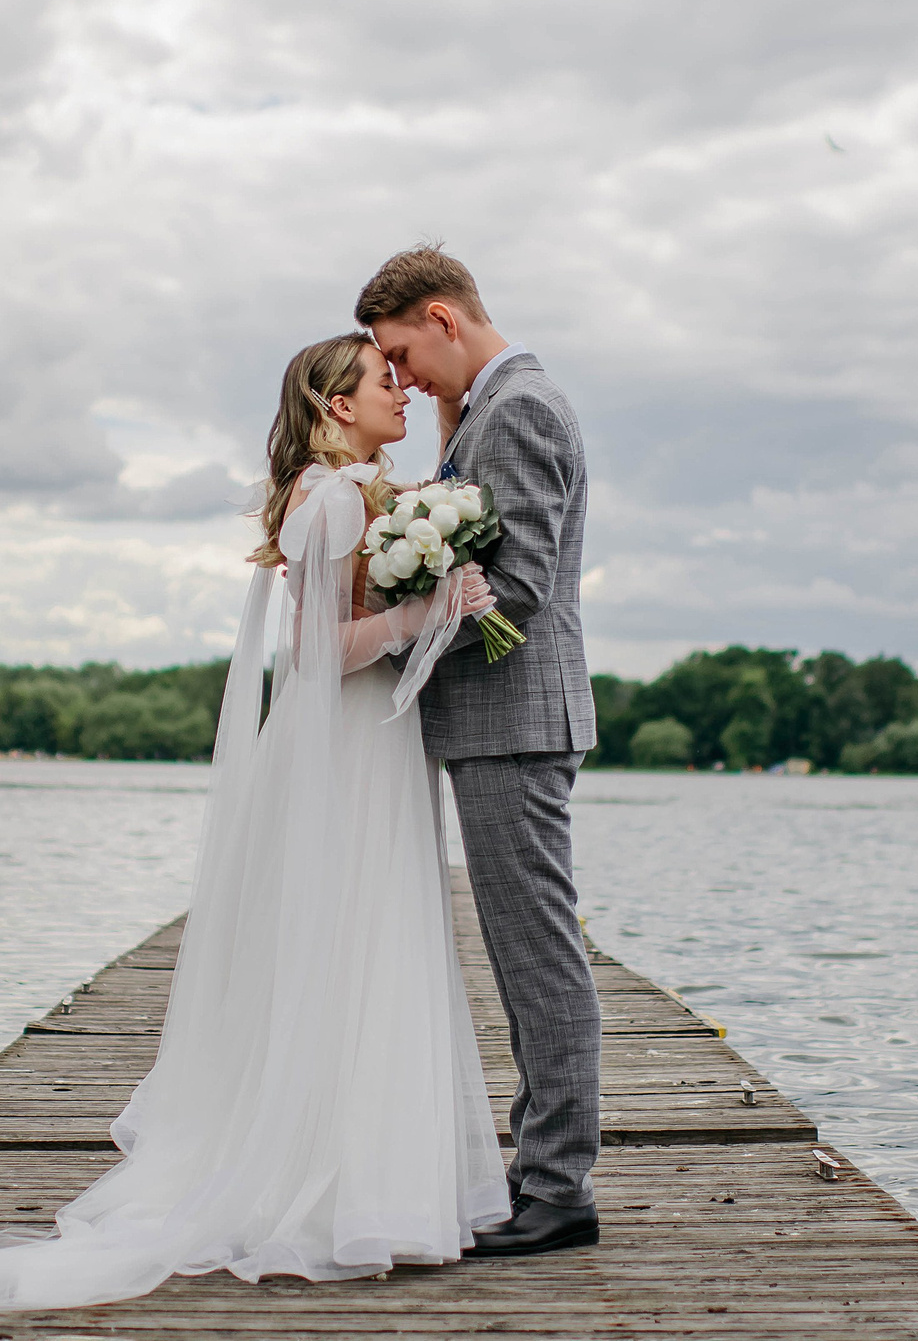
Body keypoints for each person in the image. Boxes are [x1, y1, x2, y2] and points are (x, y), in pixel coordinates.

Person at [0, 332, 510, 1314]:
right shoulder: (334, 496)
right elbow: (314, 652)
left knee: (354, 944)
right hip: (343, 746)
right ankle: (346, 1190)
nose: (403, 392)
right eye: (386, 381)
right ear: (337, 405)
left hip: (359, 741)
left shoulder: (345, 491)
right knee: (357, 941)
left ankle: (362, 1181)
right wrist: (425, 613)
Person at [356, 244, 600, 1258]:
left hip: (516, 721)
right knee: (519, 949)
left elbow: (523, 584)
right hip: (501, 723)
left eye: (404, 354)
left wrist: (398, 622)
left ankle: (558, 1188)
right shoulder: (484, 413)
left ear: (445, 319)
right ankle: (539, 1170)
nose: (405, 378)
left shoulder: (520, 409)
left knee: (536, 954)